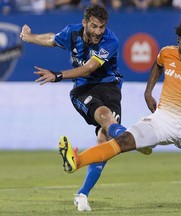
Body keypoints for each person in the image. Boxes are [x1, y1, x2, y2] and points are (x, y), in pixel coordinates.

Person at [58, 19, 181, 210]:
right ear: (178, 43)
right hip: (162, 119)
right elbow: (158, 65)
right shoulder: (167, 53)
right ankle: (77, 161)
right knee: (124, 141)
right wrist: (148, 91)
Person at [20, 4, 151, 212]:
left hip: (109, 87)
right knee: (105, 117)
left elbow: (90, 67)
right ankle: (136, 140)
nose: (98, 31)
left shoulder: (111, 40)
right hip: (83, 90)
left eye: (102, 27)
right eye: (94, 26)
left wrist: (58, 75)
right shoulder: (72, 33)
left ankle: (82, 194)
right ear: (84, 23)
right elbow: (52, 39)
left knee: (104, 139)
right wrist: (29, 37)